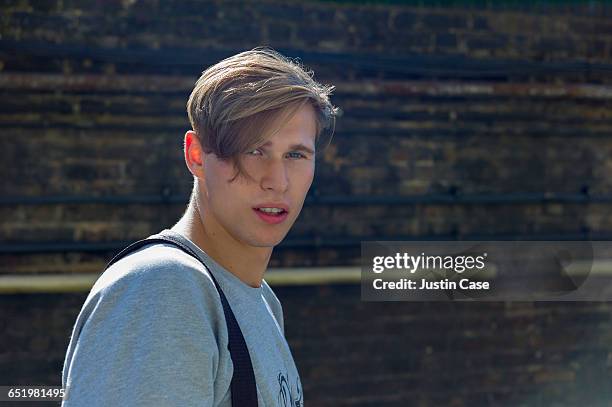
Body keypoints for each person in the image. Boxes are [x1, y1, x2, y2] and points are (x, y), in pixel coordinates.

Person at [61, 46, 338, 406]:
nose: (277, 181)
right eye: (254, 150)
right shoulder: (164, 289)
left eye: (296, 155)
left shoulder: (261, 300)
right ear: (196, 156)